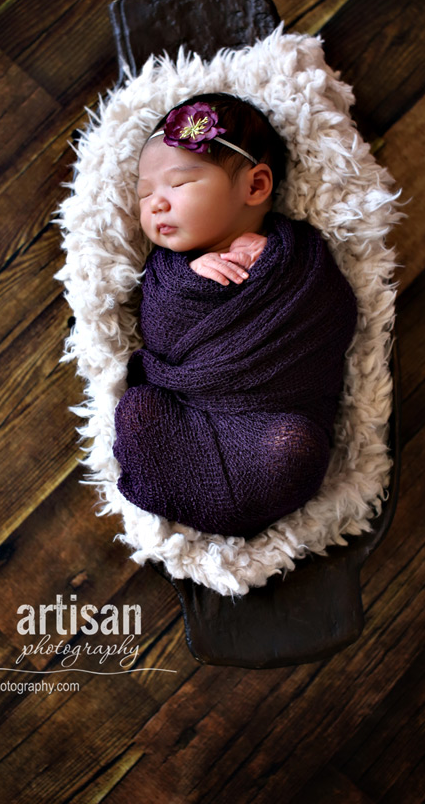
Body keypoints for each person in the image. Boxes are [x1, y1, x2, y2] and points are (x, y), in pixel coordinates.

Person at [112, 93, 358, 538]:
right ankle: (185, 494)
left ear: (256, 187)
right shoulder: (168, 275)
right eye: (145, 193)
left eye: (179, 185)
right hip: (190, 411)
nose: (155, 204)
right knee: (138, 410)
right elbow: (159, 338)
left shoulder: (298, 256)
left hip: (268, 418)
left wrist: (276, 269)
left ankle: (233, 499)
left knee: (294, 447)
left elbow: (335, 315)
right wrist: (193, 281)